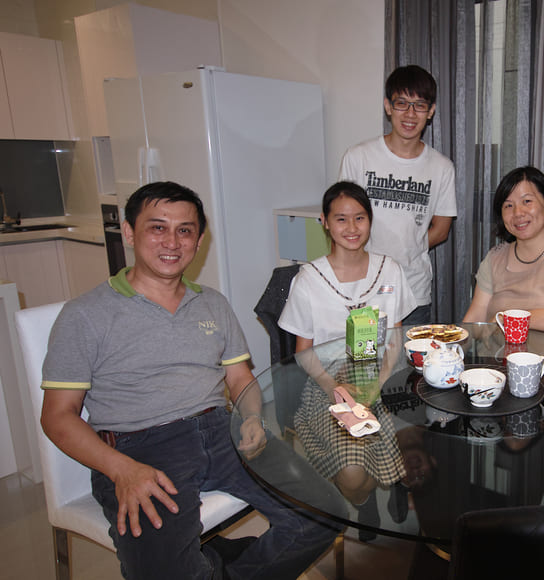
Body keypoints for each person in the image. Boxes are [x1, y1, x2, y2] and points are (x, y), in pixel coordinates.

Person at [40, 181, 339, 580]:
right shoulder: (85, 314)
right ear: (129, 232)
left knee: (324, 513)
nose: (172, 242)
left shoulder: (212, 302)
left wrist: (252, 417)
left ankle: (214, 566)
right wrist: (121, 469)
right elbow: (57, 416)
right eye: (157, 227)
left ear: (198, 241)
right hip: (140, 450)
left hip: (222, 431)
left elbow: (240, 379)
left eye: (184, 230)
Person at [278, 181, 416, 541]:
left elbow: (396, 337)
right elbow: (303, 350)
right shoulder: (308, 279)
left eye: (360, 218)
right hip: (330, 382)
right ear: (325, 222)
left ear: (370, 220)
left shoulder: (390, 269)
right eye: (341, 219)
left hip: (387, 376)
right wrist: (332, 386)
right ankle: (366, 497)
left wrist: (380, 381)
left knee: (423, 444)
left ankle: (396, 480)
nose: (352, 228)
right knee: (353, 476)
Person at [338, 64, 457, 325]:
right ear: (388, 106)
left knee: (412, 353)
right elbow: (342, 220)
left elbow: (441, 229)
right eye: (401, 103)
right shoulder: (358, 157)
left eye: (420, 105)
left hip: (413, 291)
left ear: (431, 111)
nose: (410, 114)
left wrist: (407, 249)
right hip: (362, 287)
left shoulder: (442, 167)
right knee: (363, 352)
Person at [462, 165, 544, 334]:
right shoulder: (495, 257)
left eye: (527, 201)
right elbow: (475, 319)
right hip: (498, 350)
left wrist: (504, 318)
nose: (518, 213)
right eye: (508, 206)